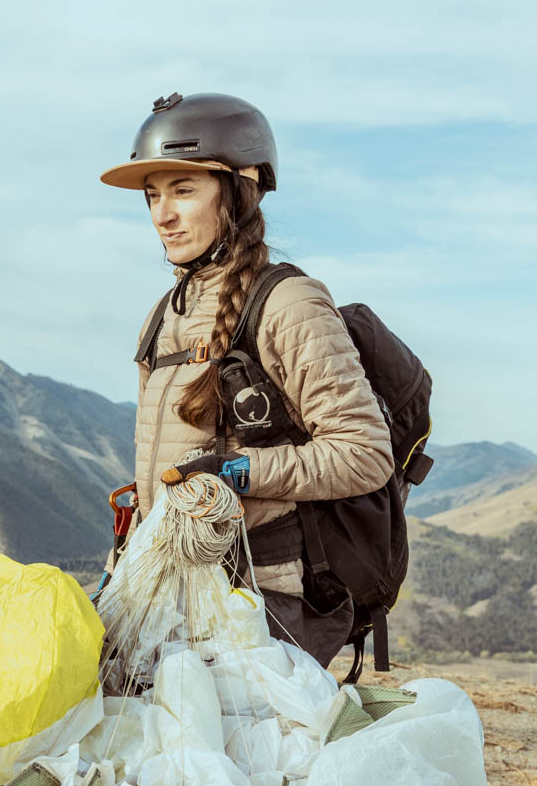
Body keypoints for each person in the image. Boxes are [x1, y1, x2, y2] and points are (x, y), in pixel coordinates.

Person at [102, 94, 393, 668]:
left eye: (183, 190)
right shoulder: (166, 314)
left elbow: (364, 453)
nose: (162, 215)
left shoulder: (289, 303)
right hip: (173, 591)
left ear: (236, 192)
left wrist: (236, 473)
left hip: (260, 605)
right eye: (152, 195)